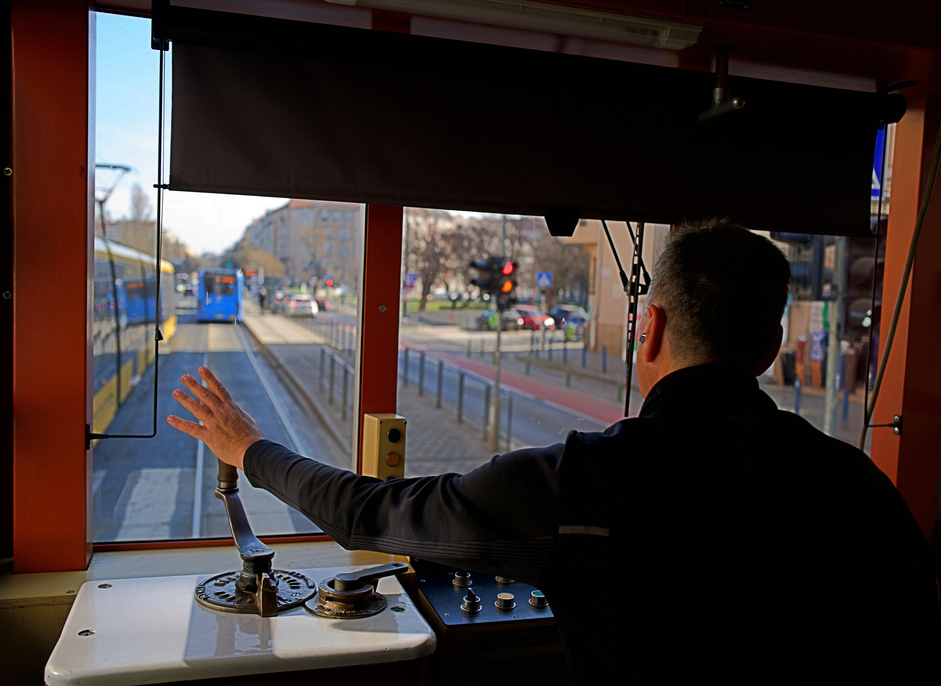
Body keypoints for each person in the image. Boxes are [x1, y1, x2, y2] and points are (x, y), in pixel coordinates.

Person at [168, 220, 940, 683]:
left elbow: (368, 511)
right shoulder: (859, 484)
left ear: (652, 331)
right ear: (771, 348)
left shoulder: (578, 484)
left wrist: (250, 446)